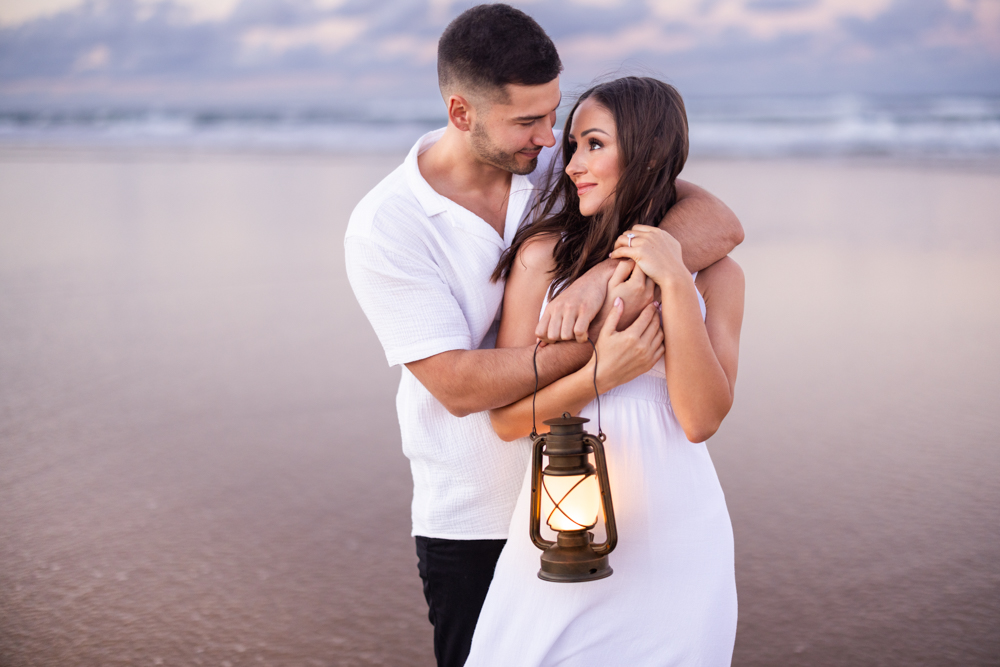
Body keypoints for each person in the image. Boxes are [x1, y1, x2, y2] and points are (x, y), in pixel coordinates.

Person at [344, 6, 743, 667]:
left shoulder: (553, 173)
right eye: (529, 121)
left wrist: (608, 279)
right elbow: (460, 385)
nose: (551, 137)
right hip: (474, 514)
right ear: (463, 113)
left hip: (629, 502)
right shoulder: (389, 225)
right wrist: (609, 345)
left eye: (554, 113)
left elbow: (717, 220)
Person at [465, 77, 744, 666]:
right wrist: (601, 376)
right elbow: (509, 421)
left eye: (593, 144)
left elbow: (701, 420)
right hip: (564, 524)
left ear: (643, 151)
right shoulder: (544, 259)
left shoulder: (717, 276)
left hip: (679, 533)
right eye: (572, 147)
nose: (572, 166)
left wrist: (669, 276)